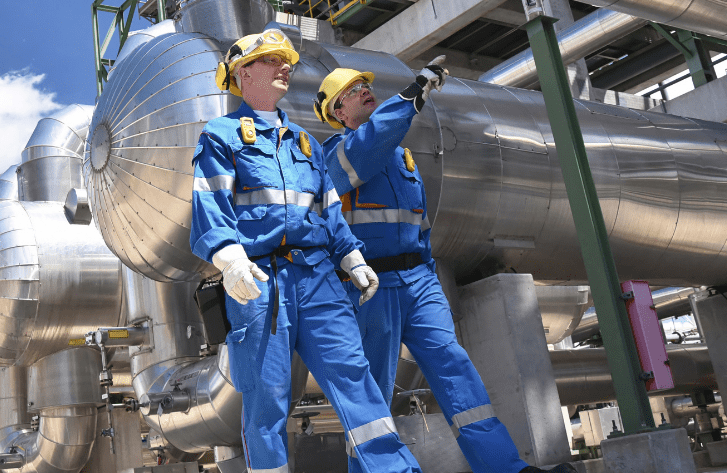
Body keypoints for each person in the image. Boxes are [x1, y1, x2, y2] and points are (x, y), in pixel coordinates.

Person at [315, 63, 576, 473]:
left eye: (365, 84)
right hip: (369, 286)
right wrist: (411, 95)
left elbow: (418, 224)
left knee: (455, 367)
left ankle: (505, 467)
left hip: (418, 281)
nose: (365, 90)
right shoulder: (336, 154)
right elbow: (371, 143)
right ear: (338, 111)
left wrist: (428, 274)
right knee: (372, 394)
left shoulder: (402, 157)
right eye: (352, 90)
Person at [191, 28, 420, 473]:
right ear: (243, 73)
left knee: (355, 378)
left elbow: (328, 209)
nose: (285, 67)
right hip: (260, 281)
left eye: (287, 61)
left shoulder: (304, 142)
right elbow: (210, 205)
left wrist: (352, 257)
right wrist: (230, 259)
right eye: (272, 60)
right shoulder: (220, 135)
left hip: (318, 278)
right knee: (267, 397)